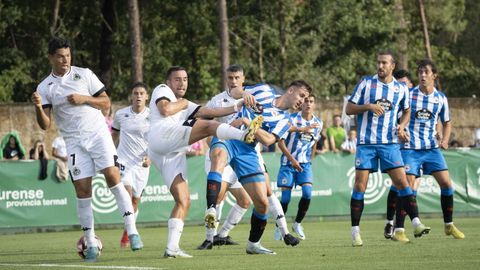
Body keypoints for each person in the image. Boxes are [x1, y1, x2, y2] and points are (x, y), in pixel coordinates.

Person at [31, 37, 143, 262]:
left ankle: (132, 231)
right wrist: (37, 108)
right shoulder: (45, 87)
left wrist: (83, 98)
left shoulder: (85, 74)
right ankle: (90, 242)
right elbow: (45, 124)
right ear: (51, 57)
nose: (65, 60)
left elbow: (106, 103)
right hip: (73, 142)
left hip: (98, 135)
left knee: (113, 176)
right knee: (83, 191)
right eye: (61, 56)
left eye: (68, 56)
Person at [147, 66, 261, 258]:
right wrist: (183, 103)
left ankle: (172, 248)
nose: (182, 83)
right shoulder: (162, 90)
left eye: (185, 79)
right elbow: (165, 109)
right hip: (161, 138)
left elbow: (210, 110)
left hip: (171, 153)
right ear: (168, 82)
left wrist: (237, 105)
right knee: (209, 126)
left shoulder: (186, 104)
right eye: (177, 79)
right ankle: (243, 136)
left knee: (184, 201)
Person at [205, 79, 312, 255]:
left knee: (262, 203)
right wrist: (244, 93)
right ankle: (210, 210)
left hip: (248, 150)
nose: (302, 101)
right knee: (218, 157)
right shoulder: (263, 90)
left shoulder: (285, 121)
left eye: (306, 99)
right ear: (291, 90)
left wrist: (248, 123)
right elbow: (234, 90)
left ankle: (253, 244)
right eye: (301, 95)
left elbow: (269, 140)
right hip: (231, 134)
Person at [346, 50, 430, 247]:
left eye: (384, 63)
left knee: (402, 182)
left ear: (392, 66)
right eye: (379, 62)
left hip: (389, 143)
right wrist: (368, 106)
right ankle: (355, 232)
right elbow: (349, 109)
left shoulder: (401, 89)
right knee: (360, 185)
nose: (380, 66)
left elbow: (407, 110)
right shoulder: (366, 83)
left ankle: (416, 222)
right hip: (366, 143)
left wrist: (402, 125)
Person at [384, 59, 464, 242]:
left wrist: (444, 139)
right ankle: (399, 230)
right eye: (420, 72)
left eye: (426, 72)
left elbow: (447, 123)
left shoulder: (440, 98)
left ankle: (449, 225)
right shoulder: (409, 95)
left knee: (447, 186)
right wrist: (400, 129)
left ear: (434, 76)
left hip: (431, 149)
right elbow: (396, 117)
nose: (422, 75)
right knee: (408, 188)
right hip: (410, 149)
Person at [197, 64, 253, 250]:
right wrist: (213, 140)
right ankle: (208, 238)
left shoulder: (252, 98)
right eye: (230, 78)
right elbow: (204, 123)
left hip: (242, 156)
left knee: (245, 200)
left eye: (237, 77)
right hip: (221, 154)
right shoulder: (218, 100)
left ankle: (223, 234)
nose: (233, 81)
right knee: (218, 197)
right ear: (226, 79)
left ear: (243, 79)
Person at [276, 94, 323, 240]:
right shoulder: (291, 119)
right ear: (301, 104)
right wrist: (292, 160)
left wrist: (310, 158)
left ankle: (297, 223)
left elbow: (315, 142)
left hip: (304, 164)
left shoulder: (318, 123)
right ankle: (280, 227)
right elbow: (280, 142)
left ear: (314, 104)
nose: (308, 104)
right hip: (288, 164)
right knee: (285, 198)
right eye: (306, 101)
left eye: (311, 101)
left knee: (307, 194)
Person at [111, 82, 151, 248]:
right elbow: (114, 135)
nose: (139, 96)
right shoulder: (121, 114)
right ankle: (134, 235)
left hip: (142, 165)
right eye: (136, 93)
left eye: (142, 93)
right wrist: (109, 155)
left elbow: (157, 139)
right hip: (123, 162)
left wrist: (150, 156)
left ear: (147, 96)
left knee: (135, 201)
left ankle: (128, 230)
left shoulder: (152, 115)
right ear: (131, 96)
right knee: (126, 197)